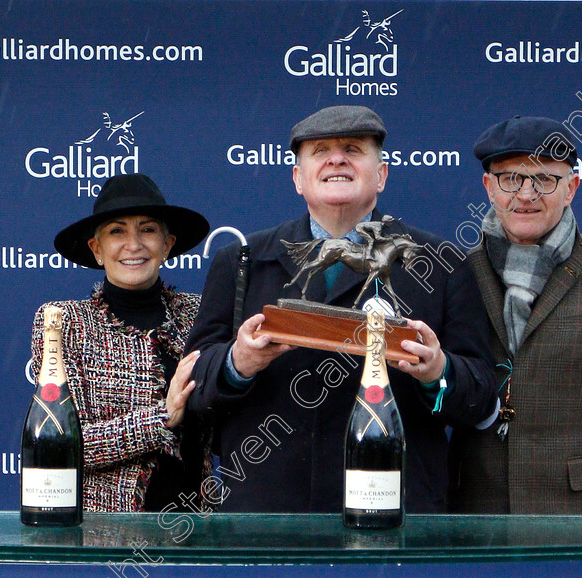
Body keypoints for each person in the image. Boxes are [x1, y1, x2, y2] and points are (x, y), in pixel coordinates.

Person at [185, 105, 498, 513]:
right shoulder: (240, 261)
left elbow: (480, 399)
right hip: (268, 517)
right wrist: (238, 361)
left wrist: (438, 373)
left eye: (352, 148)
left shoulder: (440, 263)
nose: (337, 159)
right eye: (320, 151)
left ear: (381, 175)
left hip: (394, 512)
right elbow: (193, 391)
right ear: (298, 178)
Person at [448, 116, 582, 514]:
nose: (527, 193)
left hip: (580, 523)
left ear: (572, 188)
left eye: (545, 179)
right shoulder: (456, 274)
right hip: (474, 519)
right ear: (488, 187)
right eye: (511, 178)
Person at [31, 173, 211, 512]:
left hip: (195, 528)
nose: (133, 244)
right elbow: (68, 444)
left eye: (147, 229)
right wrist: (163, 416)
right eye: (117, 231)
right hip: (106, 537)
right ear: (96, 249)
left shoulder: (199, 313)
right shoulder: (64, 322)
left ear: (167, 244)